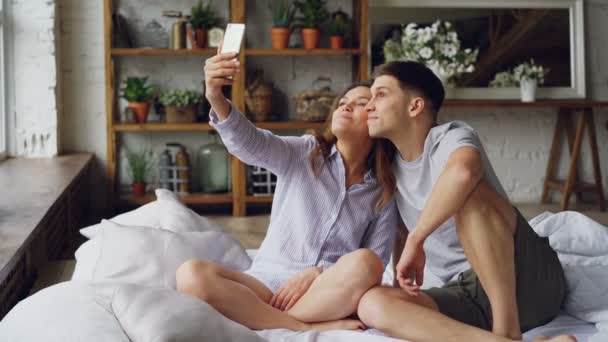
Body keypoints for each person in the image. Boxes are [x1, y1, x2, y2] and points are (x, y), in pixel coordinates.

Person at [175, 50, 399, 332]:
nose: (345, 107)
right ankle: (303, 327)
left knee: (368, 262)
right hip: (266, 284)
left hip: (325, 293)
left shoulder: (384, 191)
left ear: (377, 120)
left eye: (360, 104)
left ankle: (264, 318)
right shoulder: (305, 152)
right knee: (190, 274)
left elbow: (375, 263)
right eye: (343, 102)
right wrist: (216, 97)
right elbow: (251, 143)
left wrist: (318, 273)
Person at [356, 61, 574, 342]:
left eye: (381, 94)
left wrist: (417, 239)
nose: (369, 105)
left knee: (470, 196)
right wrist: (401, 287)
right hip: (468, 293)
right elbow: (399, 233)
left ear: (415, 106)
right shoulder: (391, 169)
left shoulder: (450, 136)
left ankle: (507, 331)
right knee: (372, 303)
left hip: (528, 278)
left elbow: (464, 172)